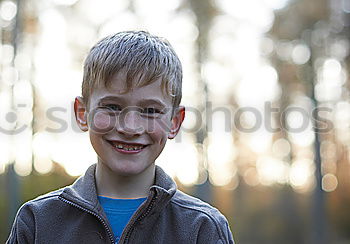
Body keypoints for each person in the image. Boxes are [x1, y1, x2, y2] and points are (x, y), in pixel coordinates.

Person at [7, 31, 234, 244]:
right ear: (83, 113)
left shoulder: (203, 228)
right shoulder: (37, 221)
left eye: (151, 111)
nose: (130, 127)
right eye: (113, 107)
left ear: (174, 122)